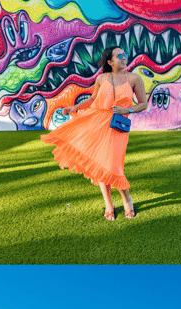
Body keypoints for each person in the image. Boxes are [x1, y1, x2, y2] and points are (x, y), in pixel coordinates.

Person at [41, 46, 148, 220]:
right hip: (97, 122)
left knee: (114, 166)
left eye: (124, 55)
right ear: (110, 61)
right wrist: (74, 107)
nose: (123, 58)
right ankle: (108, 203)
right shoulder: (101, 78)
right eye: (119, 55)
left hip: (118, 126)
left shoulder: (135, 78)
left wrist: (126, 109)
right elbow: (92, 100)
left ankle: (126, 198)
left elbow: (143, 103)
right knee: (100, 165)